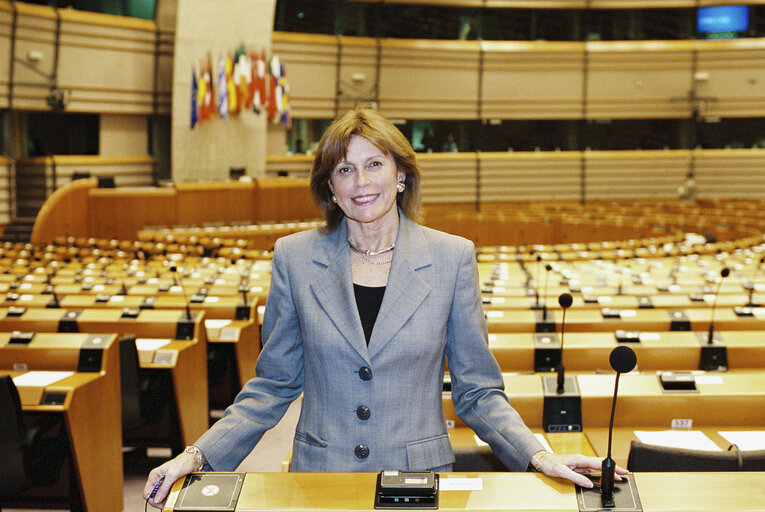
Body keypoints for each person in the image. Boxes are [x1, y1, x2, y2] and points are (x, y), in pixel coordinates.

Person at [143, 106, 624, 508]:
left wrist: (538, 455)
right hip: (320, 480)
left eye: (374, 164)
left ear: (401, 174)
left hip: (417, 480)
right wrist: (198, 455)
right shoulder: (294, 257)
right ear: (330, 187)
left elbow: (478, 392)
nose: (360, 181)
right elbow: (272, 385)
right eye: (344, 169)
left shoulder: (451, 257)